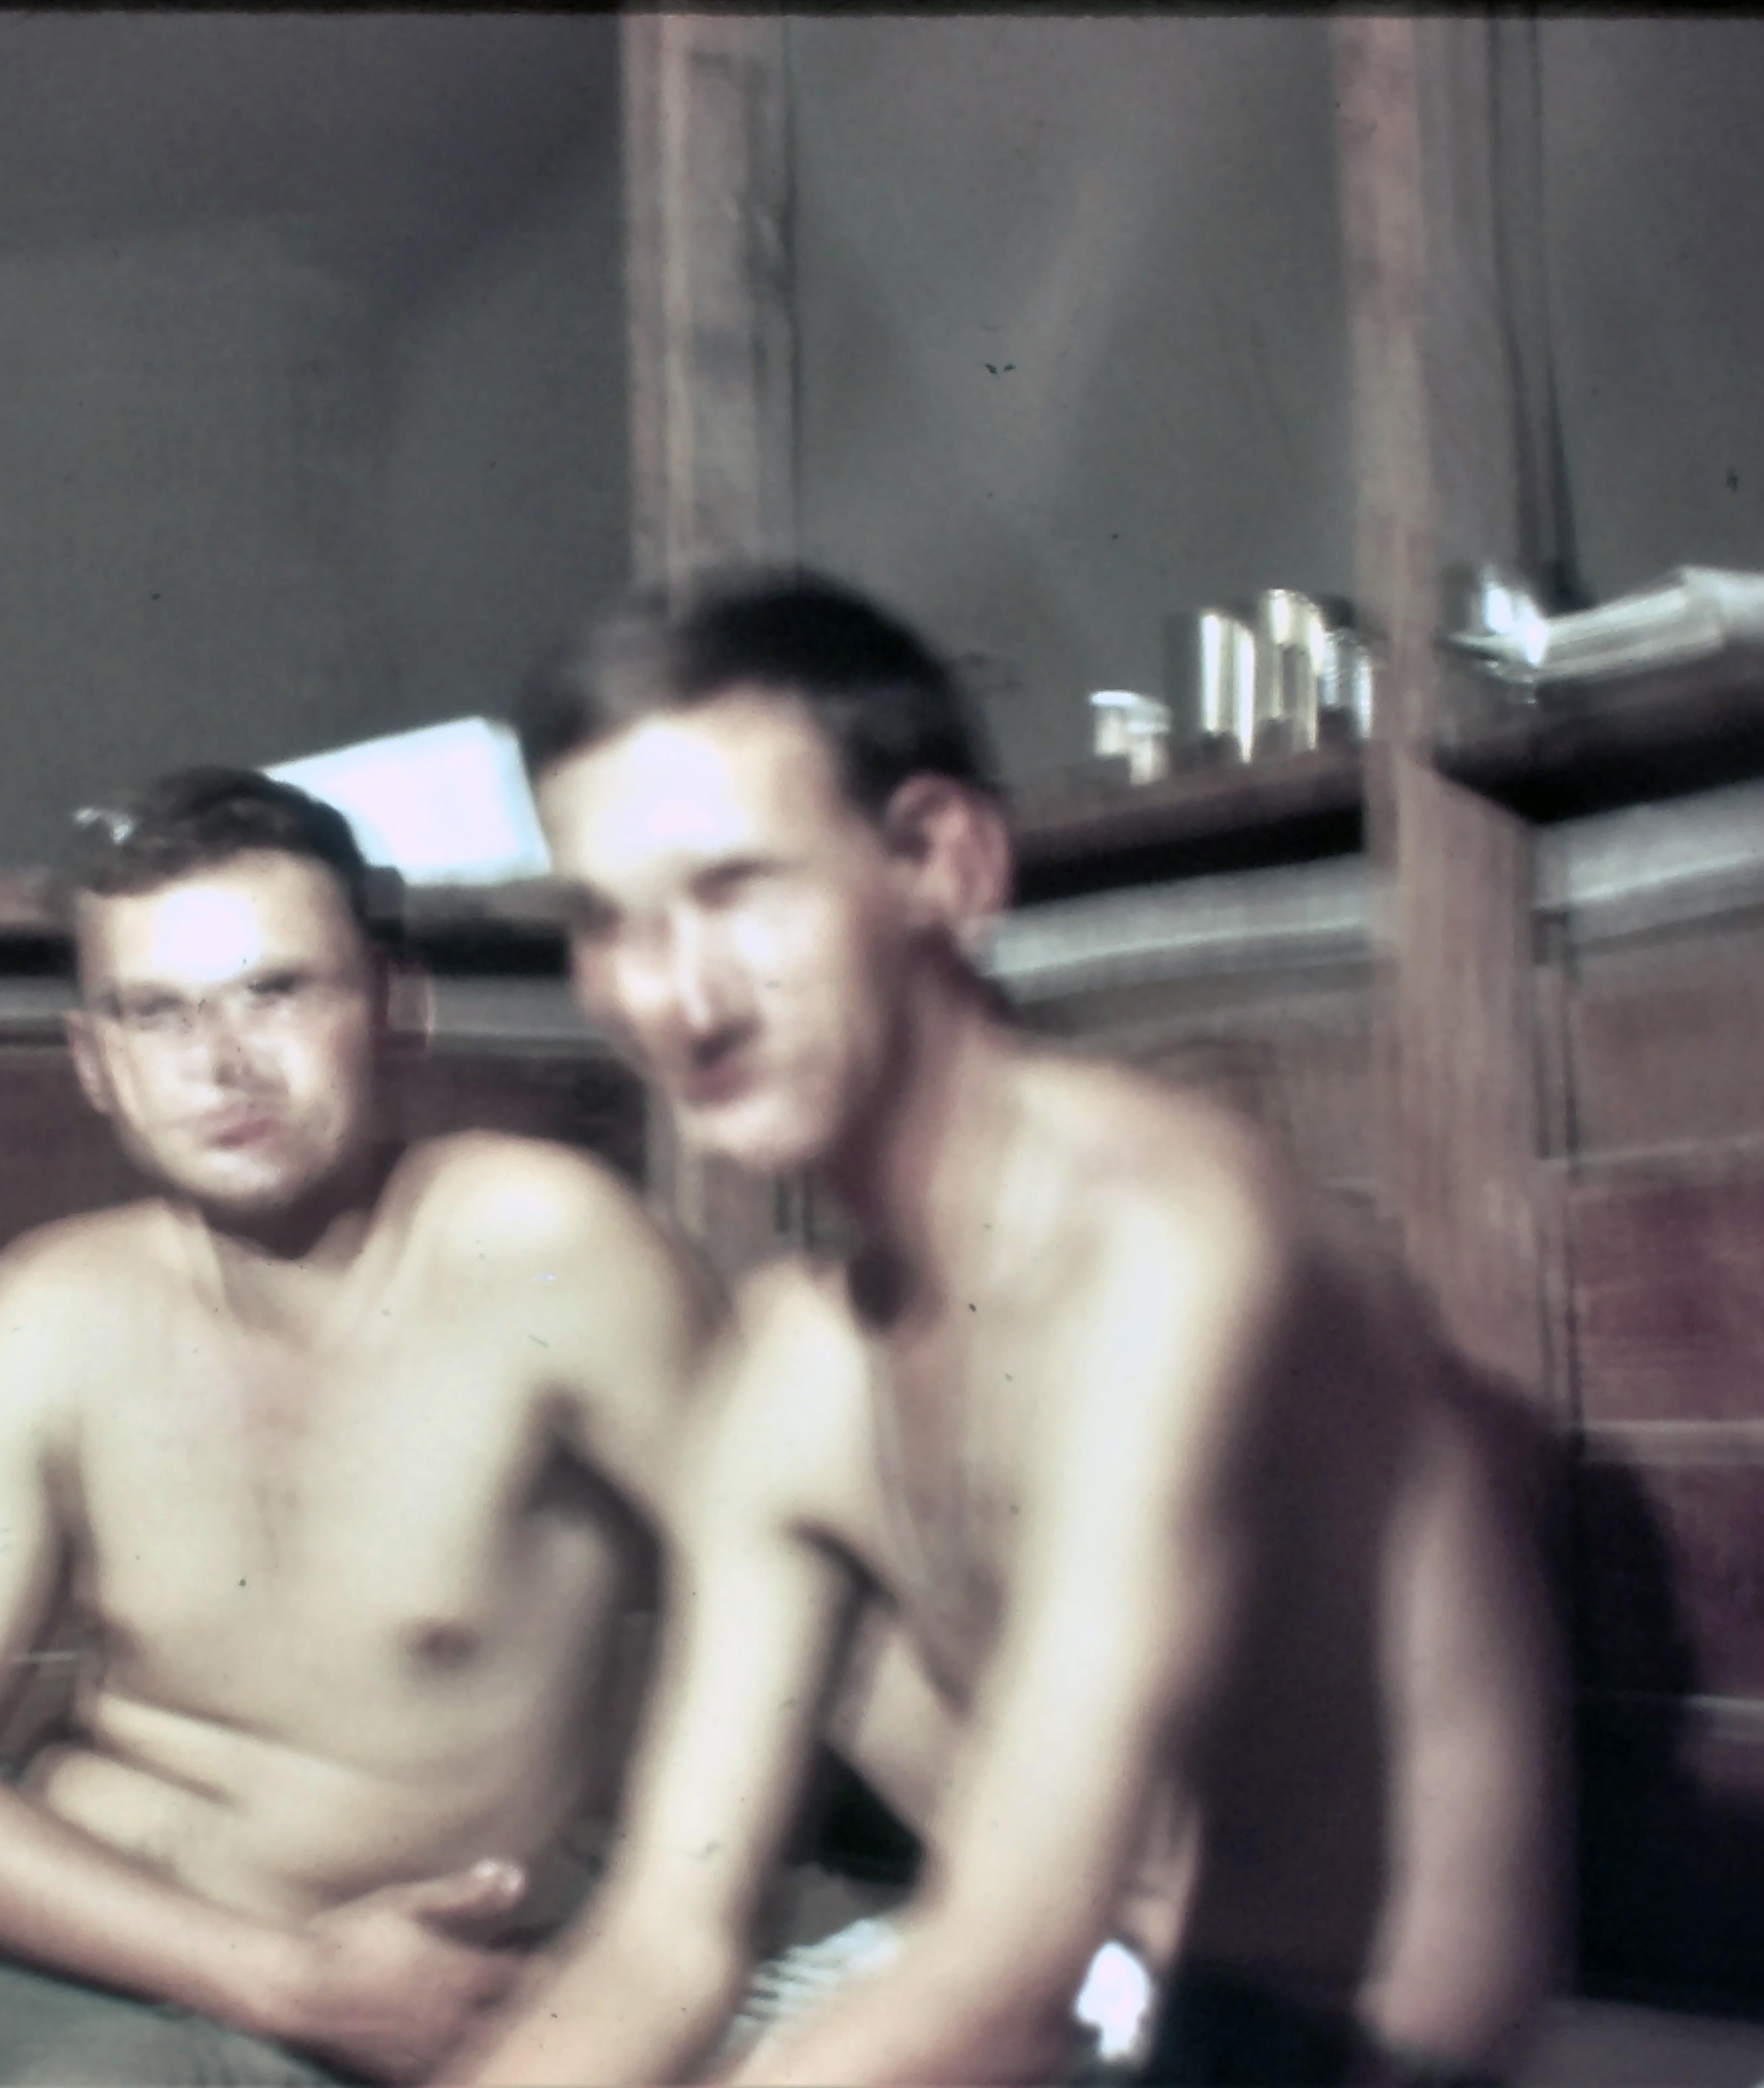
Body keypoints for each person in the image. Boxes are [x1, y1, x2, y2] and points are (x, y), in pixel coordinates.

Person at [459, 571, 1568, 2087]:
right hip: (1133, 2036)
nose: (676, 998)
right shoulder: (794, 1371)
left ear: (941, 860)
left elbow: (998, 1978)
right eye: (611, 924)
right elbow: (661, 1941)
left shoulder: (1166, 1246)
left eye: (735, 891)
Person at [0, 767, 714, 2086]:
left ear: (395, 1010)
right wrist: (290, 1978)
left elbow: (821, 1603)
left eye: (277, 992)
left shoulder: (540, 1246)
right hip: (10, 1941)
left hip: (246, 2032)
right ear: (95, 1066)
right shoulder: (57, 1305)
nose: (222, 1062)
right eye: (155, 1013)